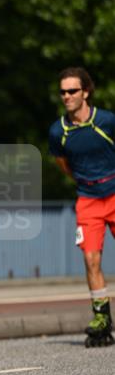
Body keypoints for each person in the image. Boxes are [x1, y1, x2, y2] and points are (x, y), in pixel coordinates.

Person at [48, 67, 115, 347]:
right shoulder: (58, 131)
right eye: (63, 92)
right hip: (87, 200)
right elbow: (64, 165)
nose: (67, 96)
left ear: (86, 92)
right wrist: (86, 182)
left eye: (72, 91)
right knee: (91, 260)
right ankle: (101, 317)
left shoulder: (107, 121)